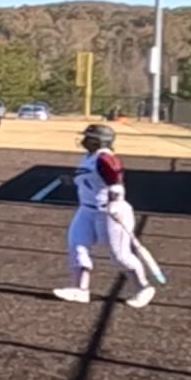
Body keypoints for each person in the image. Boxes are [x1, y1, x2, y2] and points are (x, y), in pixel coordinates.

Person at [53, 124, 155, 307]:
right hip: (87, 209)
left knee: (119, 255)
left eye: (88, 137)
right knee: (77, 244)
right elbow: (91, 182)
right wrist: (70, 181)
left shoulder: (106, 158)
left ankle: (143, 287)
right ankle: (80, 290)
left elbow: (116, 182)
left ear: (98, 141)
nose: (84, 140)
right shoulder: (88, 158)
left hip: (108, 211)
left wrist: (115, 204)